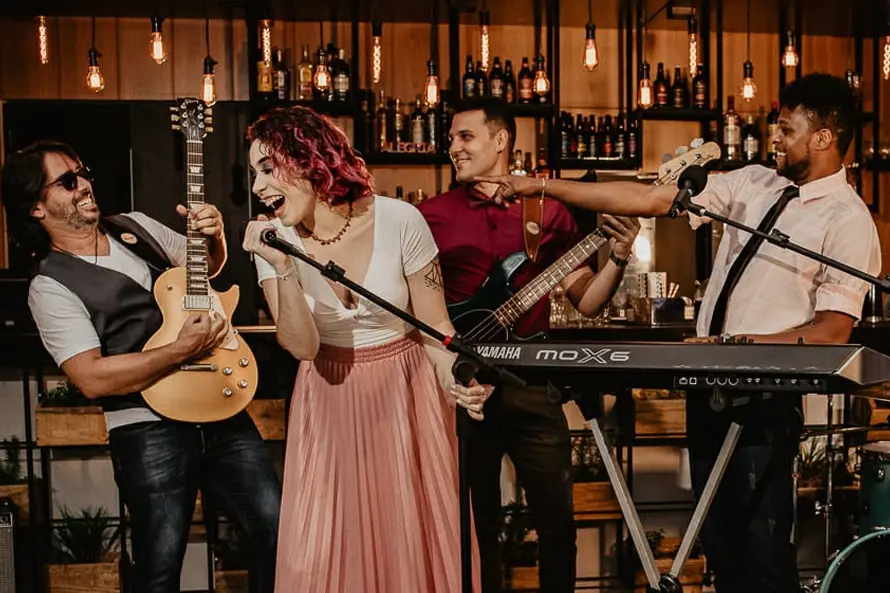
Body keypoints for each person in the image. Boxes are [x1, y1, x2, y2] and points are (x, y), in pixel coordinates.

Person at [475, 73, 881, 593]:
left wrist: (734, 348)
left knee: (761, 551)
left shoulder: (847, 219)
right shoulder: (753, 182)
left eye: (786, 129)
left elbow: (831, 332)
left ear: (823, 136)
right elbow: (647, 199)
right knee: (720, 546)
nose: (775, 138)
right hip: (709, 387)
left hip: (764, 400)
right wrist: (541, 186)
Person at [0, 140, 282, 593]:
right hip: (147, 428)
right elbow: (91, 377)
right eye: (67, 181)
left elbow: (204, 269)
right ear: (36, 207)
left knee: (276, 530)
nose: (84, 185)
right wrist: (179, 351)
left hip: (220, 408)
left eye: (83, 172)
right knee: (159, 567)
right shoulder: (50, 286)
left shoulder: (136, 226)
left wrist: (213, 236)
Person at [240, 105, 489, 593]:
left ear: (309, 159)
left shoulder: (401, 220)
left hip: (406, 394)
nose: (258, 187)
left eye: (267, 169)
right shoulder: (273, 242)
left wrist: (456, 381)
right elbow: (303, 346)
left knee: (408, 540)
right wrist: (283, 268)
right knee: (325, 547)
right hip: (328, 397)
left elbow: (435, 327)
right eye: (254, 174)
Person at [418, 96, 641, 593]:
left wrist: (619, 256)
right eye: (451, 138)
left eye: (465, 136)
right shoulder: (428, 215)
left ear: (500, 140)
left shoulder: (549, 212)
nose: (453, 147)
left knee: (557, 522)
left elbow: (586, 300)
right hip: (464, 389)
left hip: (533, 385)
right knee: (474, 526)